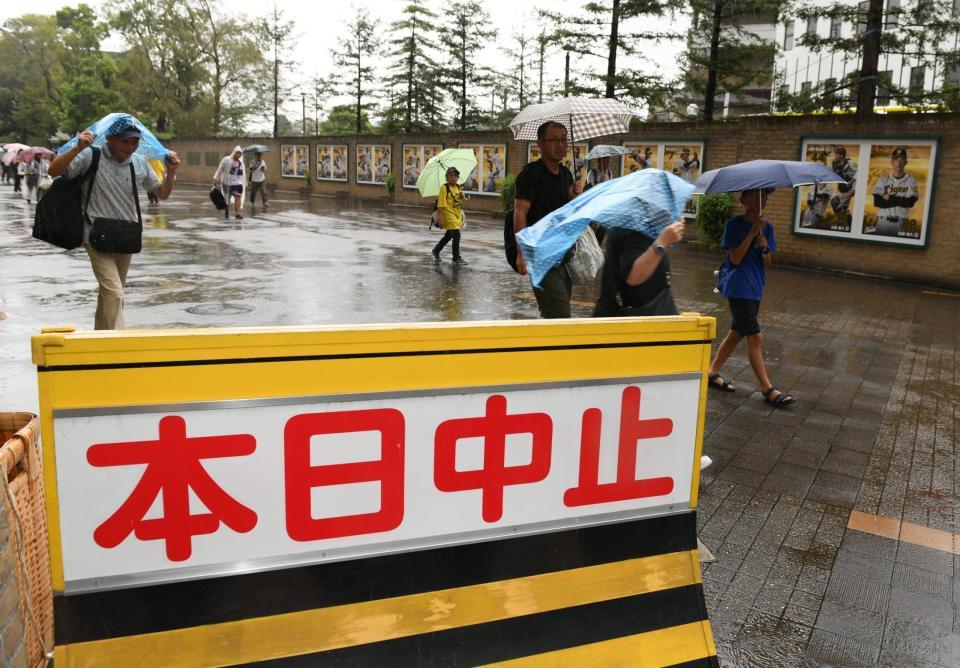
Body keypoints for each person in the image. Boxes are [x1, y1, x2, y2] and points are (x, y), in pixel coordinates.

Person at [47, 116, 181, 330]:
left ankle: (100, 337)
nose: (131, 147)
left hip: (125, 236)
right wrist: (77, 148)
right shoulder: (91, 156)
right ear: (110, 138)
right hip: (95, 235)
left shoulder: (139, 163)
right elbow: (53, 171)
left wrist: (171, 172)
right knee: (115, 293)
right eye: (126, 141)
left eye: (135, 142)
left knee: (110, 294)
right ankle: (117, 344)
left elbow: (162, 194)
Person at [707, 188, 795, 408]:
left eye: (764, 196)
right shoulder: (734, 225)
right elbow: (735, 258)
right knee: (755, 337)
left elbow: (767, 264)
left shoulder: (769, 228)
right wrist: (751, 233)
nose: (760, 199)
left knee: (737, 333)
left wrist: (764, 248)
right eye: (754, 196)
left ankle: (711, 371)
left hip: (756, 287)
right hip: (738, 286)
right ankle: (768, 388)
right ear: (743, 199)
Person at [514, 121, 583, 319]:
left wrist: (575, 195)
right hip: (540, 255)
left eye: (564, 140)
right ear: (540, 144)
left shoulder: (565, 174)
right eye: (553, 140)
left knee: (551, 314)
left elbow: (568, 209)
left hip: (563, 255)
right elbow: (520, 213)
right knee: (561, 316)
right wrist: (522, 253)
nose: (560, 145)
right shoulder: (530, 175)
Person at [593, 221, 685, 317]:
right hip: (634, 323)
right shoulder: (630, 229)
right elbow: (634, 276)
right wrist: (663, 242)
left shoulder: (645, 227)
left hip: (650, 316)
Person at [870, 147, 917, 237]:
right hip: (883, 222)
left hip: (901, 222)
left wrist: (890, 198)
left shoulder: (911, 181)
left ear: (906, 162)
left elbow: (910, 203)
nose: (898, 162)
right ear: (892, 162)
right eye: (896, 159)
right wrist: (901, 201)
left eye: (901, 159)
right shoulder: (883, 180)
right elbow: (877, 202)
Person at [432, 166, 467, 264]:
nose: (454, 177)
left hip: (457, 215)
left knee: (449, 234)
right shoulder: (445, 188)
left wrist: (462, 196)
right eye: (451, 175)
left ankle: (436, 249)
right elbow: (440, 205)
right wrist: (441, 218)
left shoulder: (458, 187)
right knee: (456, 234)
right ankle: (456, 257)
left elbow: (458, 201)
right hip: (448, 215)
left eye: (456, 175)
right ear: (446, 177)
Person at [213, 146, 245, 219]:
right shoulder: (226, 159)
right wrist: (216, 178)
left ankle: (237, 214)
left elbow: (243, 175)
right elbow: (220, 169)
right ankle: (227, 210)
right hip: (226, 183)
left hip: (237, 183)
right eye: (237, 153)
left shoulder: (240, 164)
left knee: (238, 196)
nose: (238, 155)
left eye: (240, 154)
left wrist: (243, 183)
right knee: (227, 199)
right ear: (234, 152)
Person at [829, 146, 857, 229]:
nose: (835, 156)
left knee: (836, 202)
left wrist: (851, 182)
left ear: (841, 156)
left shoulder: (850, 163)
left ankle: (845, 225)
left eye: (836, 154)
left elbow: (860, 172)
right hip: (843, 188)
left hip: (851, 187)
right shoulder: (834, 164)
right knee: (838, 205)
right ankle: (848, 225)